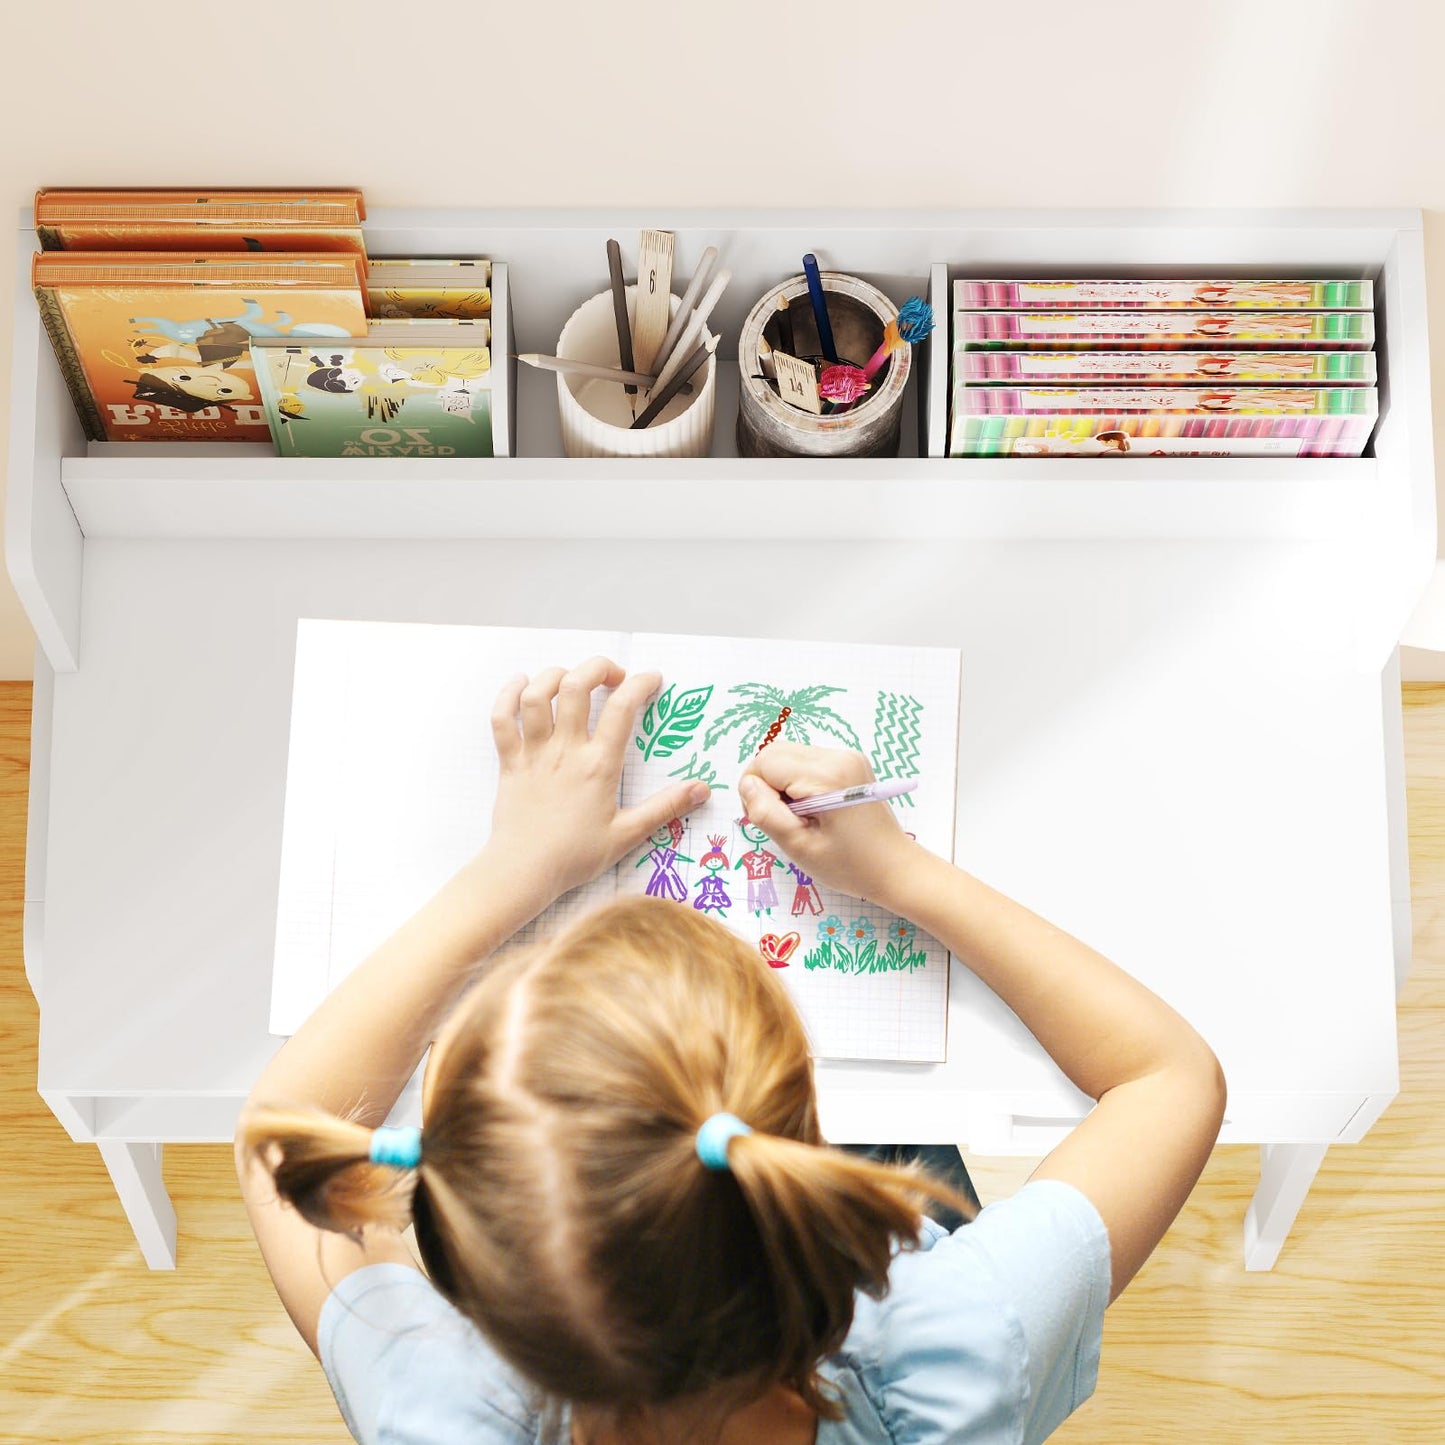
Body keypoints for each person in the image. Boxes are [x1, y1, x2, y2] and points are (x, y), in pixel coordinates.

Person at [237, 657, 1226, 1445]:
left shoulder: (438, 1408)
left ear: (458, 1255)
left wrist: (511, 869)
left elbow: (280, 1127)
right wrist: (901, 869)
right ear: (797, 1121)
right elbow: (1167, 1077)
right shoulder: (949, 1353)